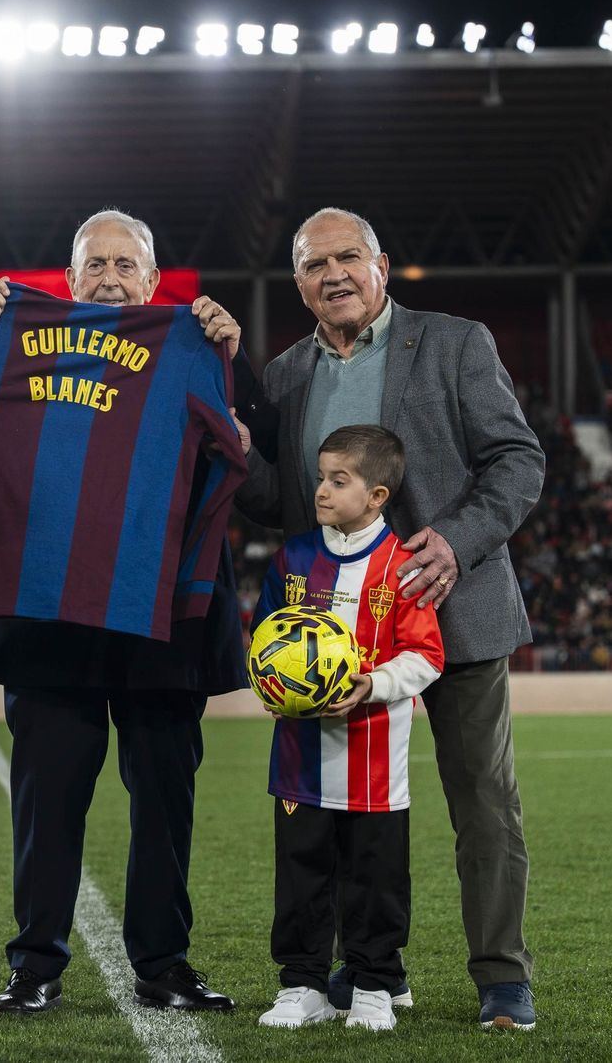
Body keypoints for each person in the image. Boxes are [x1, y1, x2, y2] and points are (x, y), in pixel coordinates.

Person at [236, 207, 546, 1031]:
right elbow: (282, 504)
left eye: (348, 257)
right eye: (313, 265)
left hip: (456, 610)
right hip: (344, 638)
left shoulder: (454, 342)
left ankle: (502, 978)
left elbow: (517, 460)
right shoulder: (284, 376)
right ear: (298, 281)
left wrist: (456, 538)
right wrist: (232, 459)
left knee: (482, 800)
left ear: (381, 263)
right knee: (343, 811)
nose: (333, 275)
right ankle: (368, 968)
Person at [0, 209, 249, 1015]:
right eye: (97, 264)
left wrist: (229, 355)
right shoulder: (17, 338)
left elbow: (241, 449)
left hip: (160, 613)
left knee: (164, 800)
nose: (112, 277)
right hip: (50, 610)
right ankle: (35, 965)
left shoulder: (192, 341)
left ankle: (162, 964)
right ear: (69, 278)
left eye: (128, 264)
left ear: (155, 282)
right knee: (45, 801)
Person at [250, 425, 443, 1033]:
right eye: (321, 478)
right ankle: (302, 983)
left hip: (375, 765)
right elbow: (263, 641)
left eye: (340, 480)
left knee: (374, 879)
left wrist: (373, 685)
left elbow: (426, 657)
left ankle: (374, 982)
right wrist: (271, 688)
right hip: (300, 759)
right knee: (302, 874)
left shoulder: (403, 567)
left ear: (378, 495)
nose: (323, 491)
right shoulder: (295, 559)